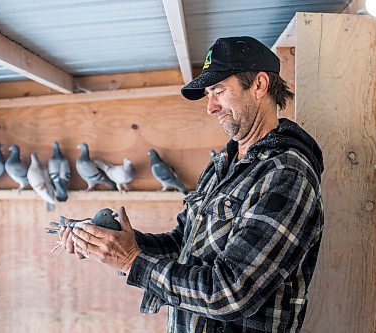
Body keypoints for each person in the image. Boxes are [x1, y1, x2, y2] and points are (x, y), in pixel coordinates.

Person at [62, 36, 325, 333]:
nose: (210, 106)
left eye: (218, 91)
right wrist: (112, 242)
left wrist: (131, 260)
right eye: (208, 94)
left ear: (259, 85)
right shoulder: (221, 167)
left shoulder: (286, 175)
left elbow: (233, 292)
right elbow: (181, 245)